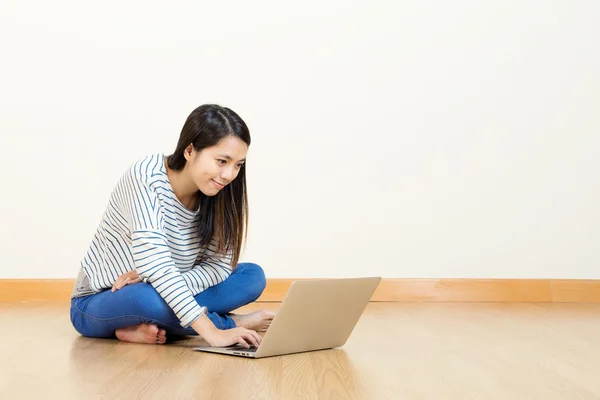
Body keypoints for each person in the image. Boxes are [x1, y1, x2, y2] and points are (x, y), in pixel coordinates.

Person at [70, 104, 275, 347]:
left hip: (164, 286)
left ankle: (145, 325)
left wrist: (159, 280)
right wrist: (215, 332)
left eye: (238, 165)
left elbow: (219, 267)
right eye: (222, 161)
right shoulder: (146, 177)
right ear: (190, 151)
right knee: (147, 300)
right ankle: (230, 323)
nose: (229, 174)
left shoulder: (220, 191)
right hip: (101, 298)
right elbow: (157, 266)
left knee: (251, 276)